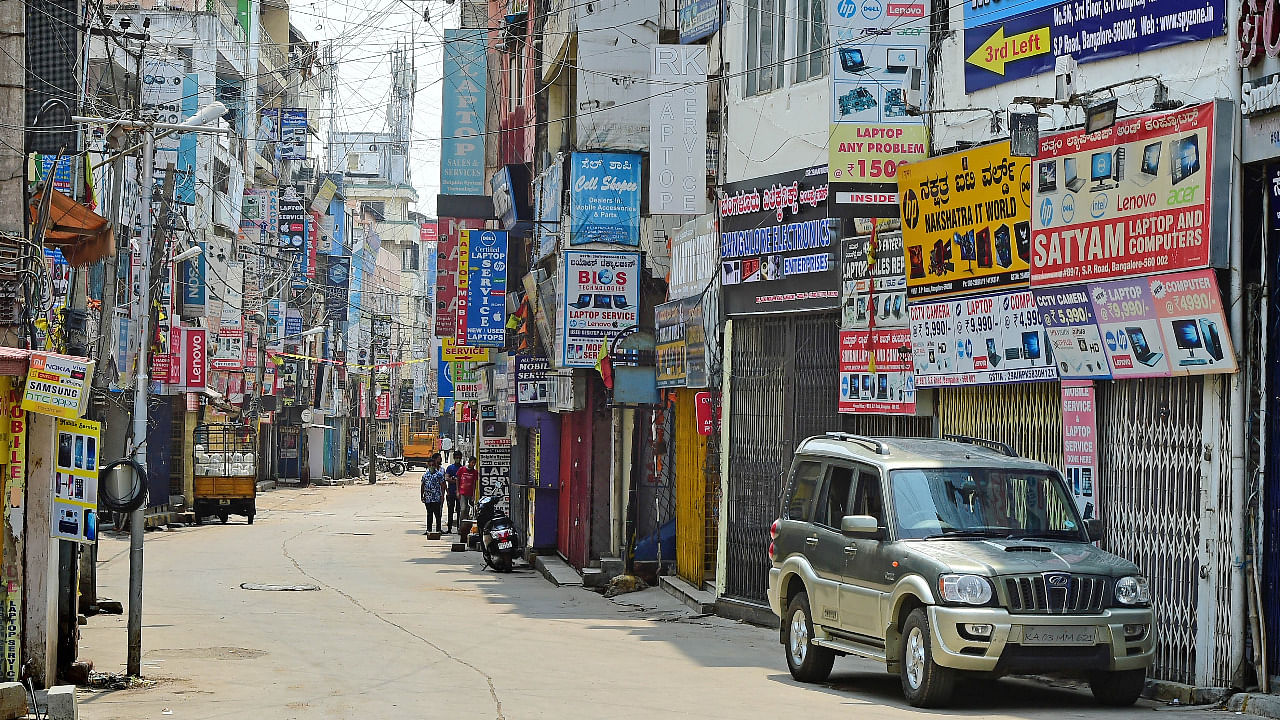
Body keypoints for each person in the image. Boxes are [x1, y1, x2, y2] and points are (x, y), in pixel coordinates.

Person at [420, 453, 445, 535]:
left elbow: (442, 485)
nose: (431, 466)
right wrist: (422, 496)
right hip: (428, 498)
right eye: (430, 465)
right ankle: (428, 529)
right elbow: (423, 485)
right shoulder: (425, 475)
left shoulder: (439, 475)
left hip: (437, 497)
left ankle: (438, 529)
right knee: (429, 514)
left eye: (432, 465)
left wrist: (442, 495)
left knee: (437, 514)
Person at [456, 456, 479, 525]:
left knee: (468, 510)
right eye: (472, 462)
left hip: (470, 493)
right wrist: (457, 491)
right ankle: (460, 526)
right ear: (469, 462)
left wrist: (474, 495)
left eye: (474, 463)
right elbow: (458, 480)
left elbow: (475, 484)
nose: (473, 464)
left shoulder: (475, 472)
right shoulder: (461, 469)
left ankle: (466, 527)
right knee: (463, 509)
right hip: (462, 493)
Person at [444, 451, 462, 533]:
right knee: (450, 511)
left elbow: (463, 480)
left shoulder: (462, 468)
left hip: (460, 494)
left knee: (459, 511)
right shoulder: (450, 468)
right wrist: (456, 481)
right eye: (456, 457)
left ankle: (459, 528)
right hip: (451, 492)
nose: (458, 459)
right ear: (454, 458)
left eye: (459, 457)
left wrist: (454, 480)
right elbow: (447, 478)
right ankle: (449, 528)